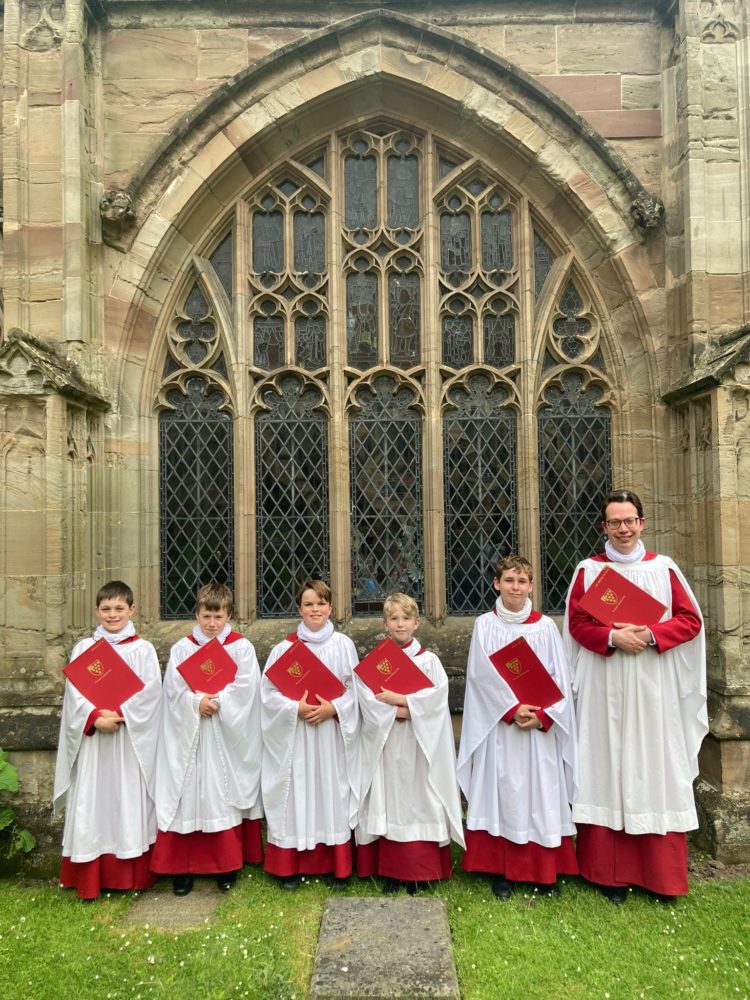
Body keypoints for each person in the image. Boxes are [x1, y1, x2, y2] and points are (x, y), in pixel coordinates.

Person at [564, 489, 707, 904]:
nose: (623, 529)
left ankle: (659, 877)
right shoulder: (588, 571)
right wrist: (610, 635)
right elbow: (576, 624)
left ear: (642, 523)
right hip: (604, 683)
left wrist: (649, 635)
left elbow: (689, 621)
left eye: (629, 521)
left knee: (652, 767)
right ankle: (608, 874)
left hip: (651, 685)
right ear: (603, 527)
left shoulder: (664, 569)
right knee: (606, 765)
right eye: (614, 522)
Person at [458, 556, 578, 899]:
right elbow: (480, 676)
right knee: (504, 791)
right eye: (509, 580)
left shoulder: (545, 628)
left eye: (522, 580)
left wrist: (543, 714)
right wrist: (511, 709)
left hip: (539, 728)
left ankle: (544, 871)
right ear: (496, 583)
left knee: (541, 792)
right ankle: (503, 870)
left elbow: (561, 678)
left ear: (531, 586)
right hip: (502, 726)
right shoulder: (485, 624)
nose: (515, 587)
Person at [151, 583, 263, 895]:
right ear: (196, 614)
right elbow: (172, 692)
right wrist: (194, 703)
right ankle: (182, 869)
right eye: (206, 616)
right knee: (187, 794)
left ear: (229, 615)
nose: (212, 623)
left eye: (218, 616)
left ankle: (225, 866)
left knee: (219, 794)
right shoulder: (182, 649)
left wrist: (220, 701)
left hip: (224, 735)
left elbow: (247, 688)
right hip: (191, 734)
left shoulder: (241, 648)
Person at [53, 581, 162, 900]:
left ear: (132, 609)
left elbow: (151, 693)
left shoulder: (143, 650)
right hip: (94, 742)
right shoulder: (84, 649)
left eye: (119, 608)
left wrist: (122, 714)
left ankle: (131, 875)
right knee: (93, 800)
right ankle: (89, 876)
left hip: (128, 741)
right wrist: (94, 717)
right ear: (96, 611)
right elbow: (74, 694)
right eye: (106, 609)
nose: (112, 615)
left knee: (126, 798)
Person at [355, 593, 464, 893]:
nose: (400, 624)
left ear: (416, 622)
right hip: (388, 744)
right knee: (390, 801)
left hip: (420, 746)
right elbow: (367, 701)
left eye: (405, 618)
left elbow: (437, 701)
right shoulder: (377, 663)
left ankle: (421, 870)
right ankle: (393, 871)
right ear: (385, 624)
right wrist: (402, 709)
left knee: (421, 799)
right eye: (394, 618)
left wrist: (399, 701)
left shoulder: (429, 661)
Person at [261, 579, 359, 889]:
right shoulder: (285, 649)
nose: (314, 609)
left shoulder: (344, 646)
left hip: (331, 734)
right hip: (297, 736)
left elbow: (356, 691)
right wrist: (294, 709)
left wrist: (335, 708)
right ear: (299, 608)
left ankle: (336, 866)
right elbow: (267, 695)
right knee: (296, 791)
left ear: (331, 607)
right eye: (308, 604)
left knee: (332, 790)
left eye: (320, 603)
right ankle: (290, 866)